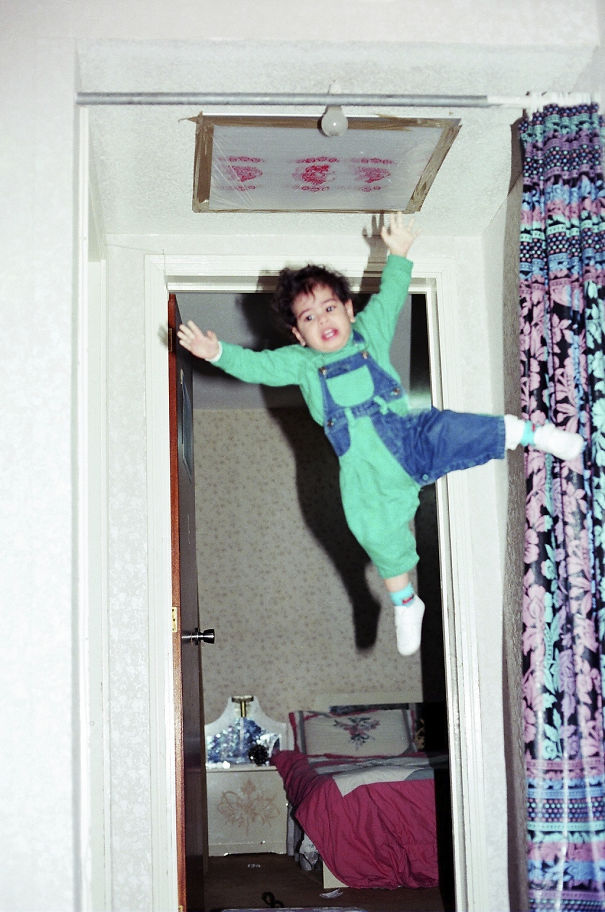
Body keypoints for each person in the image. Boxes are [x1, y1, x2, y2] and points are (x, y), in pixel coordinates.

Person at [177, 213, 584, 656]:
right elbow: (256, 365)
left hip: (409, 436)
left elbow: (391, 297)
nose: (323, 320)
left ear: (349, 310)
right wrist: (215, 351)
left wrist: (400, 254)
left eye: (330, 307)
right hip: (364, 468)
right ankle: (406, 602)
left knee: (455, 429)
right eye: (309, 317)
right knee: (372, 526)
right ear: (298, 334)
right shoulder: (300, 363)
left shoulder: (368, 333)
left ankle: (533, 434)